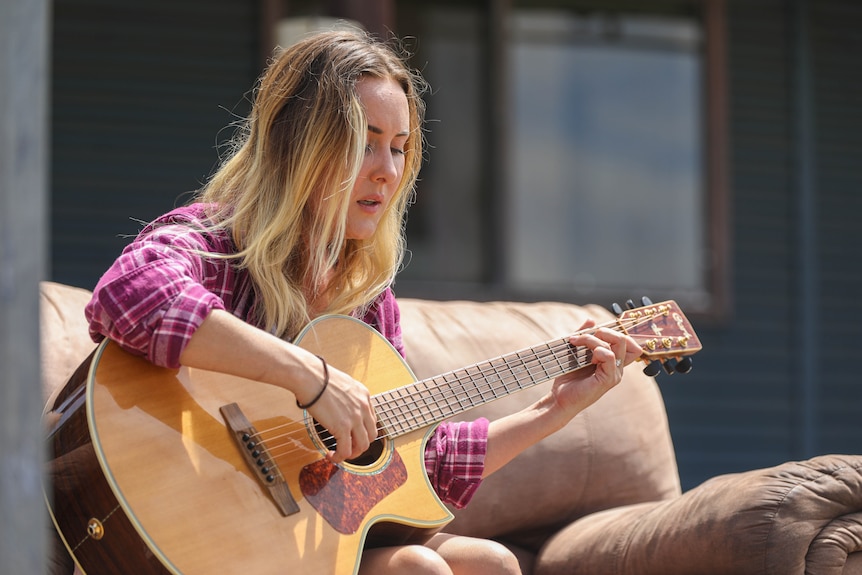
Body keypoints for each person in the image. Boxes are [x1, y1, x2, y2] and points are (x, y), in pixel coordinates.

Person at [84, 29, 641, 575]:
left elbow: (410, 466)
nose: (387, 171)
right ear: (297, 146)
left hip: (298, 541)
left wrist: (555, 409)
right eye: (365, 143)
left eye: (399, 149)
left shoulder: (367, 304)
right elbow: (129, 296)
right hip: (177, 521)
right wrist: (315, 380)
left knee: (489, 564)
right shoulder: (217, 244)